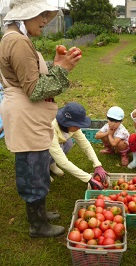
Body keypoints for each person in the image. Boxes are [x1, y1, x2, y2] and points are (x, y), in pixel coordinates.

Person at [0, 0, 82, 238]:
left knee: (37, 163)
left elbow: (28, 73)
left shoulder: (15, 38)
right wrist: (62, 68)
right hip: (26, 115)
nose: (46, 21)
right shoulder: (17, 41)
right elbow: (34, 88)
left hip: (27, 114)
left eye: (47, 15)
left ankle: (40, 214)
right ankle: (37, 225)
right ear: (26, 15)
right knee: (33, 170)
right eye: (42, 15)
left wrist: (54, 65)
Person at [49, 102, 108, 189]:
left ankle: (51, 165)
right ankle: (42, 172)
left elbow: (85, 144)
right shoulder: (50, 129)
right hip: (36, 147)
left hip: (54, 143)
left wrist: (97, 164)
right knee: (45, 154)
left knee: (68, 143)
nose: (79, 127)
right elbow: (63, 161)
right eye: (78, 125)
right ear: (67, 123)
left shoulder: (72, 127)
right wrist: (88, 178)